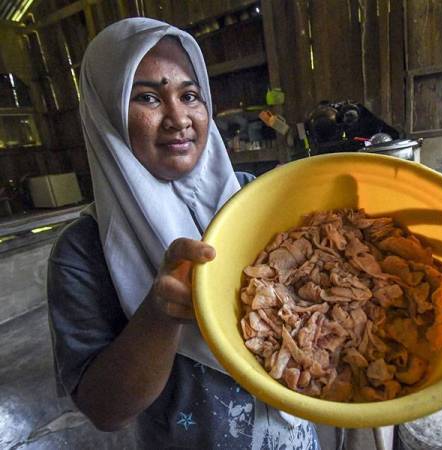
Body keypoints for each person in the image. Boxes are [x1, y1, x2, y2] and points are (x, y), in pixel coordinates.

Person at [47, 18, 320, 450]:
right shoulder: (83, 250)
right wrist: (160, 314)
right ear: (107, 112)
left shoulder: (254, 198)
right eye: (149, 97)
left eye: (190, 95)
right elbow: (106, 411)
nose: (178, 118)